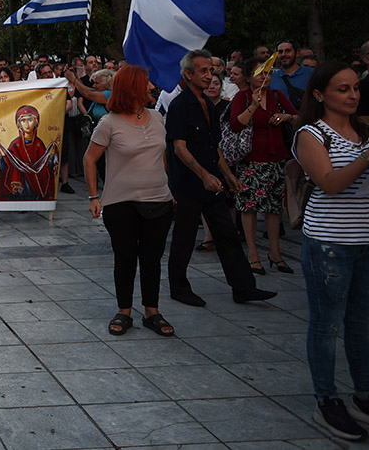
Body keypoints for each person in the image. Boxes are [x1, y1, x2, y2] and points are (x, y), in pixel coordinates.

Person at [293, 60, 369, 441]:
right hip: (330, 242)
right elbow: (330, 183)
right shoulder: (311, 134)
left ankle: (367, 395)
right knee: (326, 324)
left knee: (364, 325)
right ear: (320, 95)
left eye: (355, 88)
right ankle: (327, 400)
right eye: (342, 89)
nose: (353, 95)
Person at [165, 49, 276, 307]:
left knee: (227, 234)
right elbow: (179, 148)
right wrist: (203, 176)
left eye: (211, 70)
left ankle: (243, 287)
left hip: (212, 182)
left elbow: (214, 146)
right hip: (188, 184)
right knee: (184, 237)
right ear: (188, 74)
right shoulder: (180, 106)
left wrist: (227, 175)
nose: (209, 75)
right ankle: (179, 288)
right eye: (202, 71)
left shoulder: (209, 106)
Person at [84, 65, 175, 336]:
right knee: (125, 258)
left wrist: (169, 187)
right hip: (120, 203)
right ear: (133, 88)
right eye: (146, 83)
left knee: (152, 258)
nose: (151, 87)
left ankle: (152, 311)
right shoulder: (109, 123)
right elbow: (89, 159)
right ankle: (124, 311)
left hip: (159, 200)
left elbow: (163, 155)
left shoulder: (158, 117)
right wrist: (93, 196)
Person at [228, 57, 298, 275]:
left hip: (276, 158)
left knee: (274, 207)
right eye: (259, 73)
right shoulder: (242, 96)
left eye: (266, 72)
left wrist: (286, 116)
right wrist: (253, 106)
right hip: (251, 159)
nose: (263, 78)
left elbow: (298, 117)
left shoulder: (277, 95)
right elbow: (235, 124)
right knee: (249, 207)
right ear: (249, 77)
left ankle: (275, 253)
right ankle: (252, 253)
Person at [0, 105, 58, 200]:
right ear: (18, 124)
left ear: (36, 122)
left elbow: (45, 165)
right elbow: (8, 164)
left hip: (37, 183)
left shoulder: (39, 144)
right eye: (23, 121)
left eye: (30, 120)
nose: (27, 124)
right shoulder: (15, 144)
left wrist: (52, 155)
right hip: (21, 184)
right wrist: (1, 156)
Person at [272, 39, 311, 107]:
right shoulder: (271, 78)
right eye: (280, 52)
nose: (284, 54)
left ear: (297, 53)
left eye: (288, 51)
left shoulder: (311, 73)